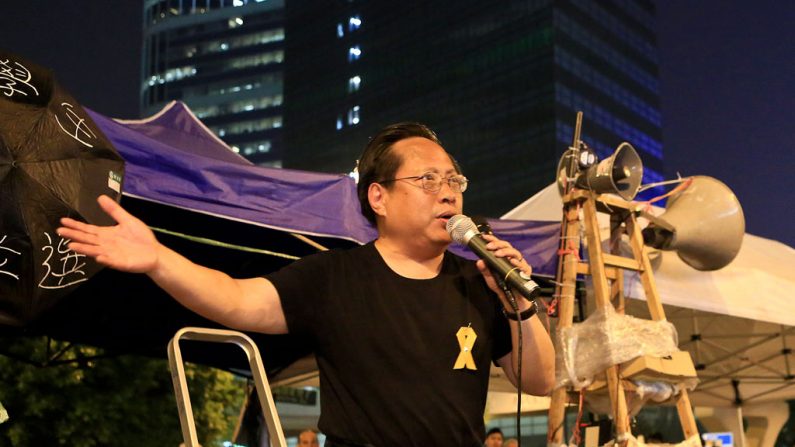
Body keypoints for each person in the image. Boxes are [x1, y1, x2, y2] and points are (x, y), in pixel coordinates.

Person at [58, 122, 555, 446]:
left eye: (454, 181)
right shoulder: (335, 277)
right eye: (428, 180)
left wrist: (517, 303)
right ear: (378, 197)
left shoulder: (479, 281)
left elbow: (539, 381)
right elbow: (236, 300)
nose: (447, 193)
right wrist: (158, 259)